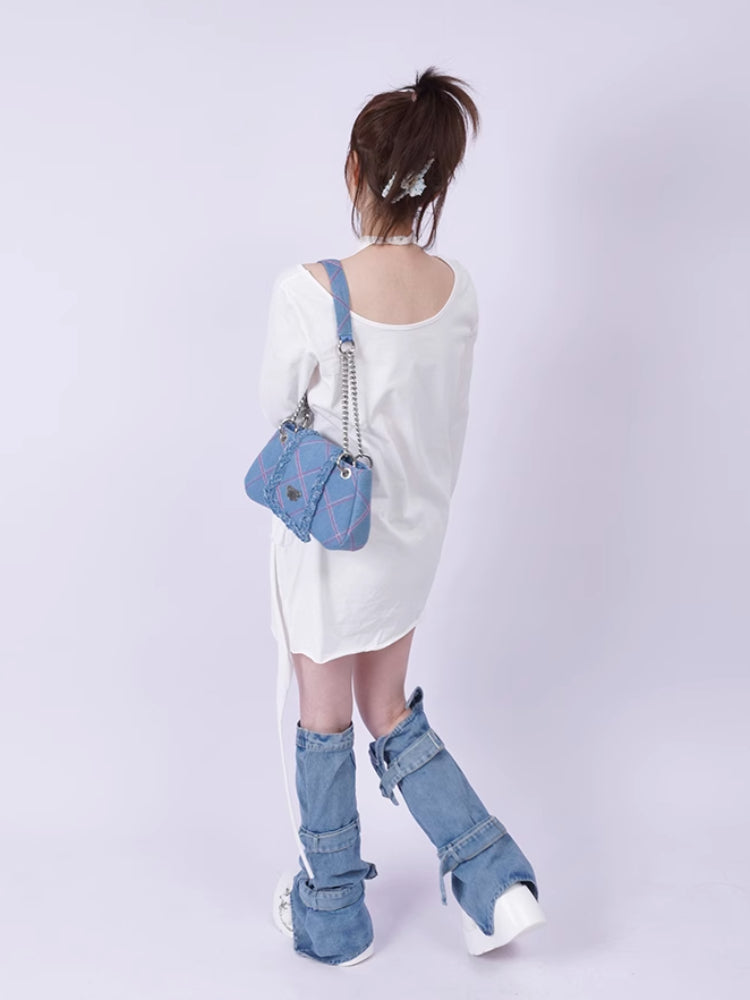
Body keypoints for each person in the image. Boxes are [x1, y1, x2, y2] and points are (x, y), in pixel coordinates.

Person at [256, 66, 546, 967]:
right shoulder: (459, 291)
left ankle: (333, 914)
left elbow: (275, 408)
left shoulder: (308, 290)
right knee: (388, 706)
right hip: (414, 541)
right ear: (436, 182)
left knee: (325, 718)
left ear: (356, 170)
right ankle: (496, 881)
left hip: (333, 541)